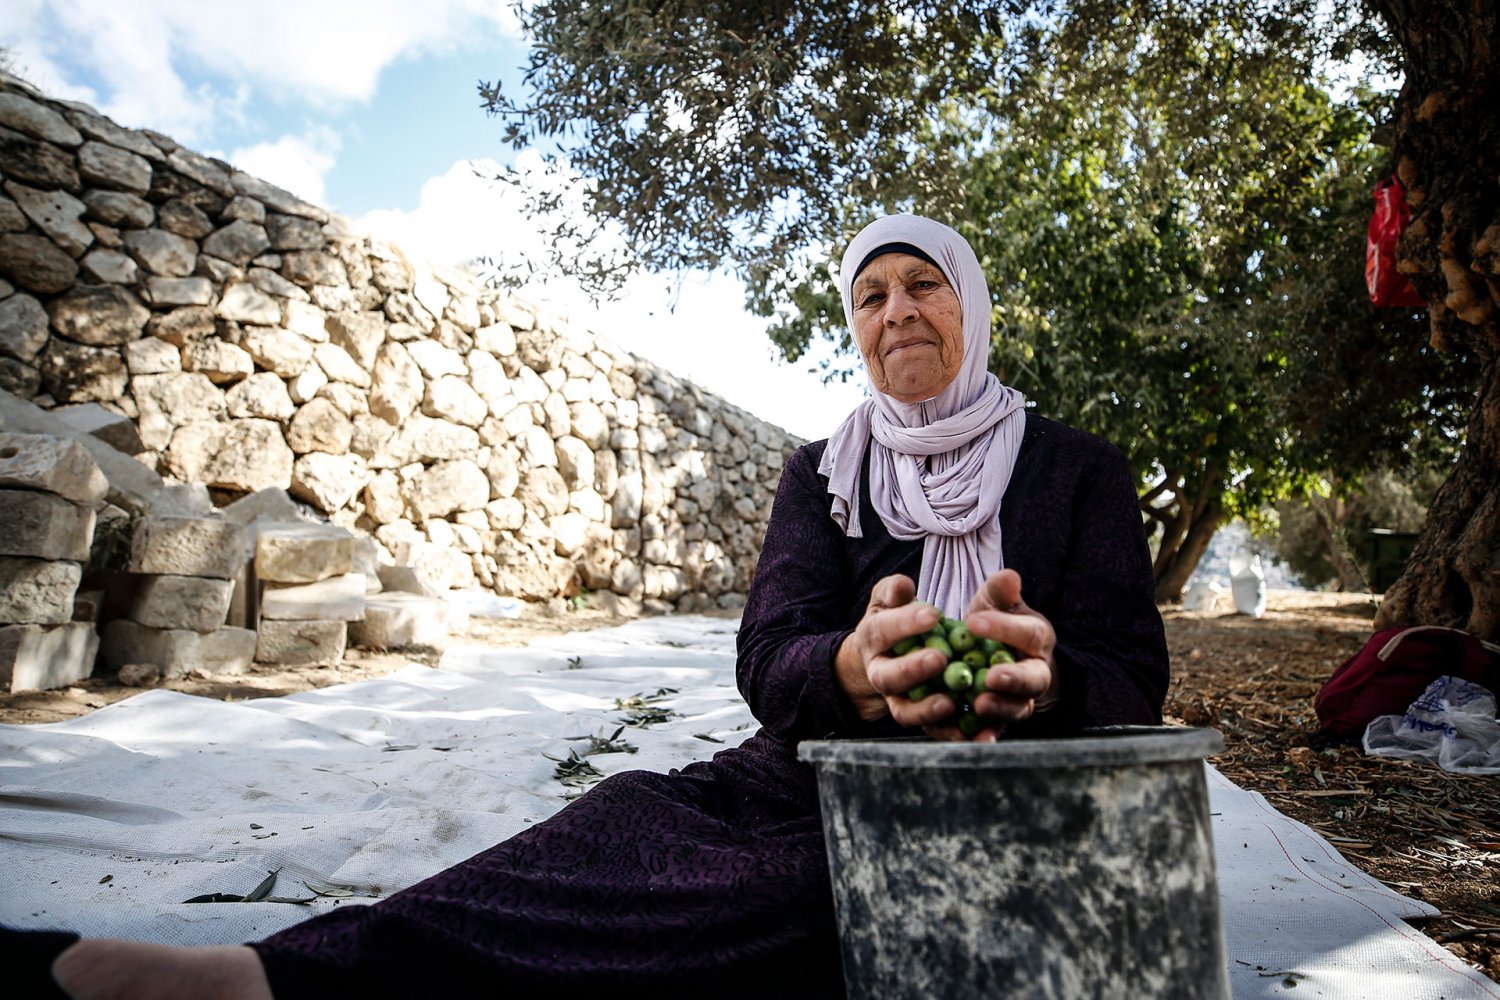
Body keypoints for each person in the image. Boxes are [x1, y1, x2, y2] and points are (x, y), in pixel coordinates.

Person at [41, 214, 1168, 999]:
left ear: (965, 301)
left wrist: (1046, 678)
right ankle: (273, 973)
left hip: (1019, 794)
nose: (897, 311)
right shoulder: (823, 472)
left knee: (838, 893)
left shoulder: (1075, 469)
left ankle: (283, 986)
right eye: (871, 295)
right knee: (625, 818)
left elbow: (1134, 675)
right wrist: (851, 666)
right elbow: (770, 655)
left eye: (922, 284)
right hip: (814, 774)